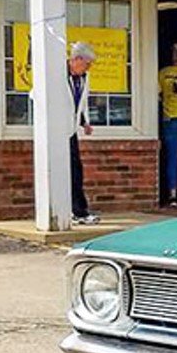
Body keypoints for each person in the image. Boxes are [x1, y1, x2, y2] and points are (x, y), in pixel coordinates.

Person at [68, 41, 99, 225]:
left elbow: (79, 102)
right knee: (65, 171)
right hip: (57, 129)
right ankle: (75, 210)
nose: (88, 68)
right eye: (87, 63)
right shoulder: (58, 74)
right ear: (77, 59)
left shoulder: (83, 78)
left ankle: (78, 210)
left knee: (76, 170)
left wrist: (84, 122)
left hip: (71, 129)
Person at [158, 43, 177, 207]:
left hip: (170, 119)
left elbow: (156, 94)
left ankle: (173, 195)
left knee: (172, 158)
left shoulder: (163, 73)